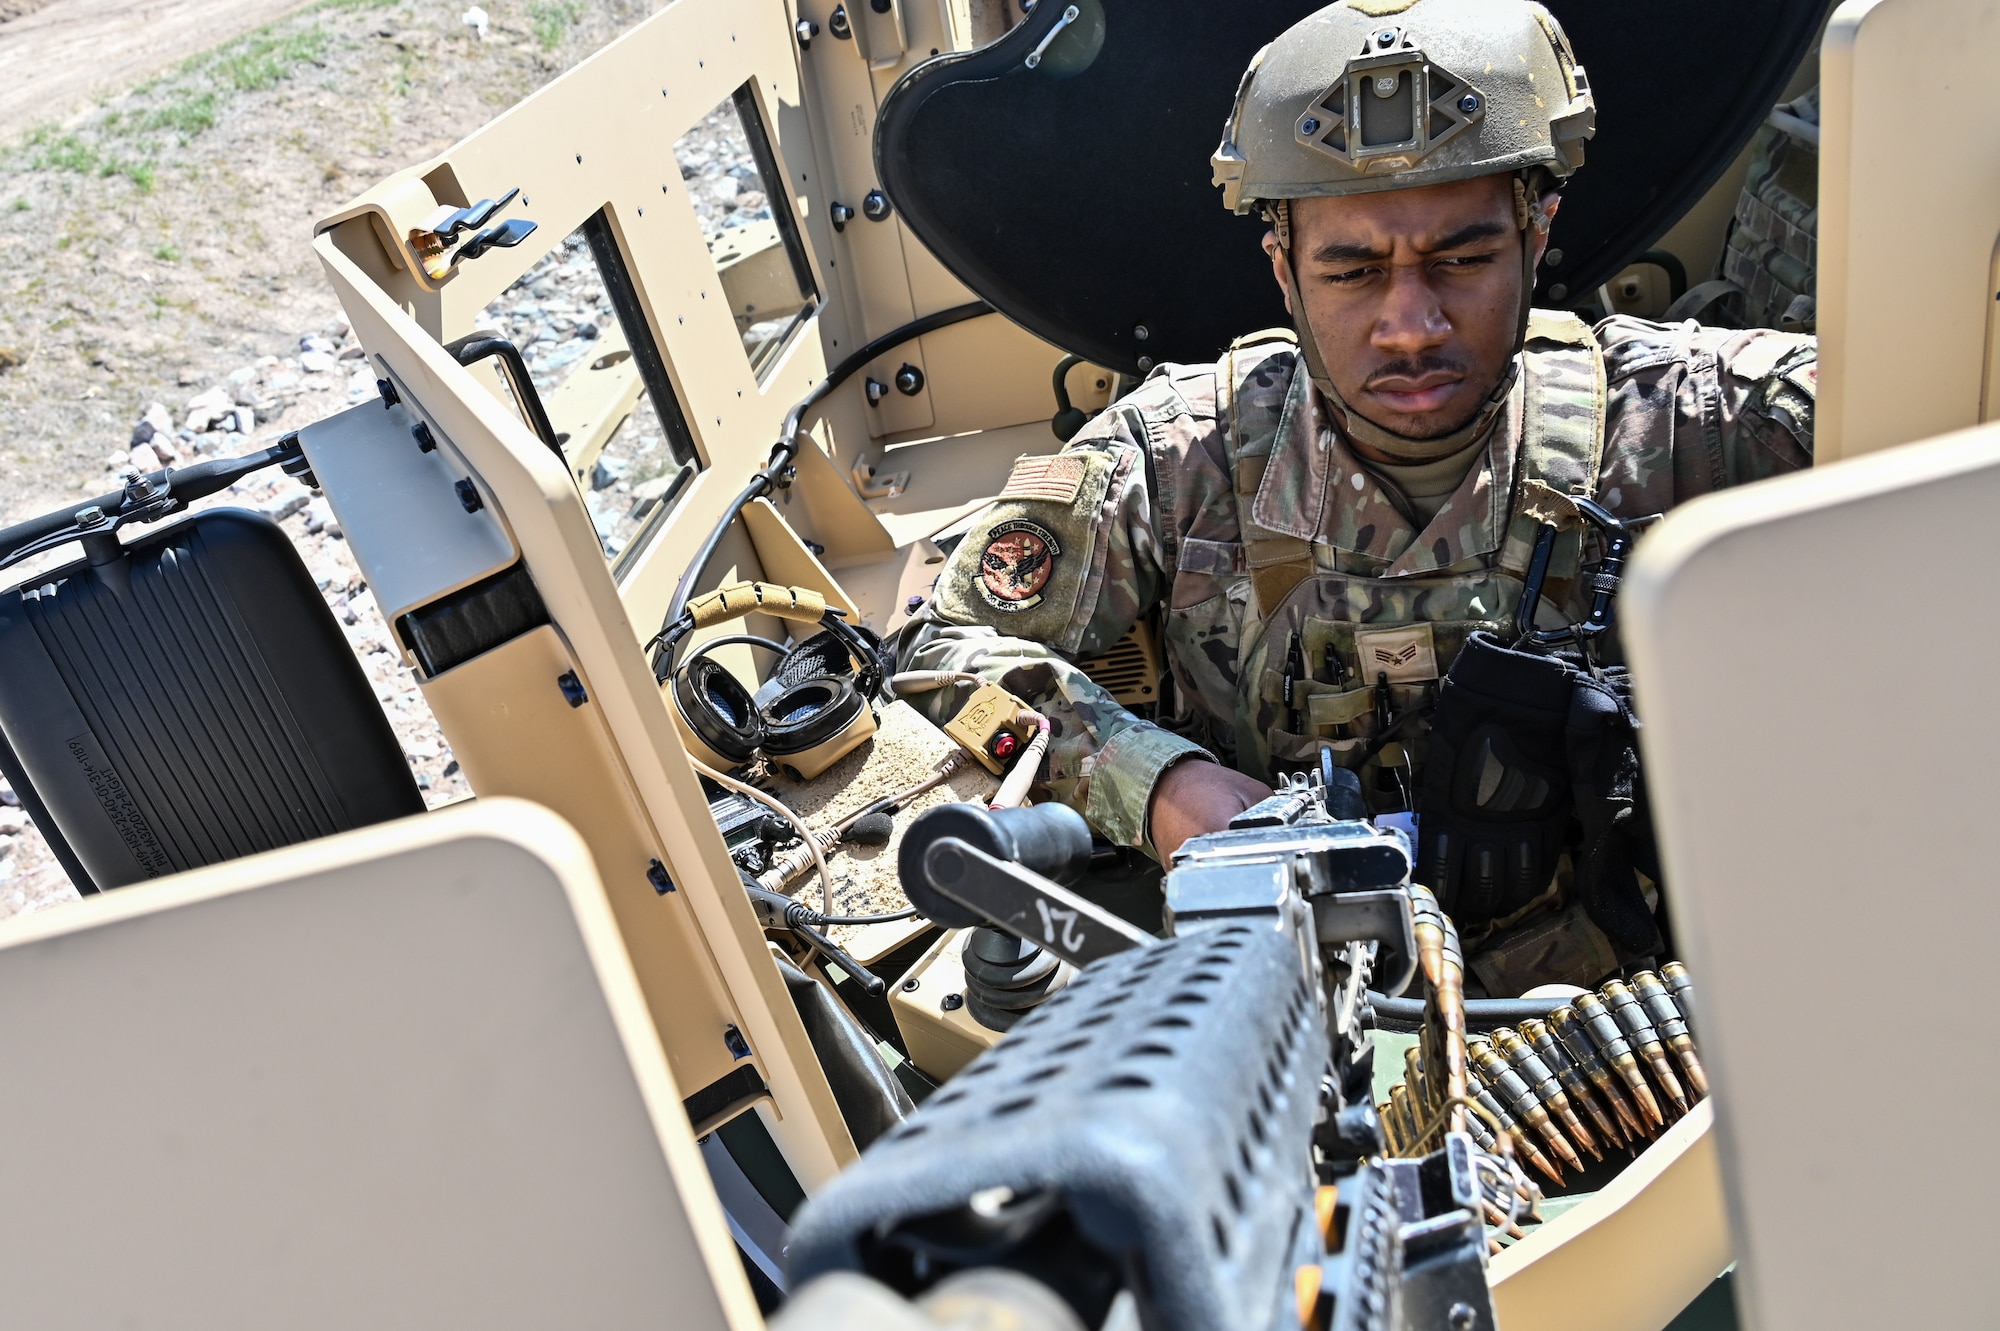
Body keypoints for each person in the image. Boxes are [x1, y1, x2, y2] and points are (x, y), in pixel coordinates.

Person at [897, 0, 1816, 990]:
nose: (1410, 324)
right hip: (1288, 992)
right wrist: (1159, 785)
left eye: (1461, 259)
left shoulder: (1685, 413)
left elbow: (1934, 421)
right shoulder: (1179, 453)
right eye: (1351, 270)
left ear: (1534, 229)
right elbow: (941, 649)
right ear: (1282, 269)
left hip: (1617, 1004)